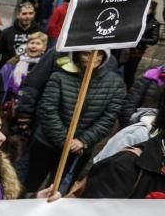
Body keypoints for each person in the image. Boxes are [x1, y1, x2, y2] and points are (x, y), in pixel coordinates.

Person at [24, 50, 124, 193]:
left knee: (58, 188)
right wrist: (65, 140)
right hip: (47, 142)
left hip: (80, 148)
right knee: (31, 184)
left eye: (99, 54)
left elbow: (108, 118)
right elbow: (48, 109)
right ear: (77, 55)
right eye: (86, 54)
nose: (93, 58)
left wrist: (83, 141)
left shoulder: (115, 83)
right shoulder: (59, 76)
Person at [0, 1, 40, 66]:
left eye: (31, 13)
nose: (28, 16)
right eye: (24, 14)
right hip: (8, 71)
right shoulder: (6, 33)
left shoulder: (40, 33)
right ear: (18, 15)